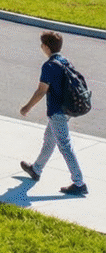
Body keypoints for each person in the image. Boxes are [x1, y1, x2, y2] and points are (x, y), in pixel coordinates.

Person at [19, 31, 88, 196]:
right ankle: (36, 169)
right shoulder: (64, 61)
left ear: (46, 47)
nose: (41, 47)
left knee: (64, 144)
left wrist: (27, 107)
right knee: (50, 139)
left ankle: (79, 183)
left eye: (42, 44)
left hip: (57, 111)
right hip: (67, 109)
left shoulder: (49, 66)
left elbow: (41, 91)